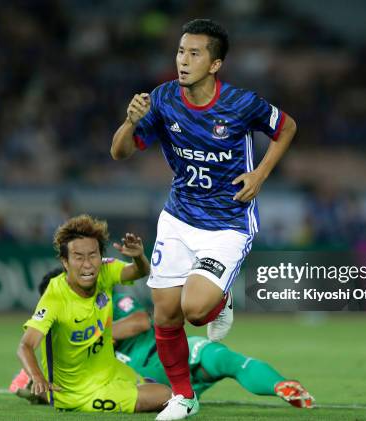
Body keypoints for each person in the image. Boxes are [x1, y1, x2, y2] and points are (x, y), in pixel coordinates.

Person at [111, 18, 297, 420]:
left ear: (215, 64)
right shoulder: (162, 99)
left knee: (195, 311)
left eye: (195, 53)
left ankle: (220, 299)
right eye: (181, 51)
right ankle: (183, 396)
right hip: (178, 218)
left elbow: (286, 127)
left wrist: (260, 175)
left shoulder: (240, 103)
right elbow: (120, 152)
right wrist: (129, 121)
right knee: (165, 314)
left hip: (228, 222)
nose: (183, 60)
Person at [10, 268, 314, 410]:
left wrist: (96, 336)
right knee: (217, 356)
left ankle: (280, 386)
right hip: (138, 374)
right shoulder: (57, 327)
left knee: (219, 358)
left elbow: (141, 321)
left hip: (157, 356)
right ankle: (276, 385)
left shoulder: (107, 296)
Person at [16, 214, 171, 413]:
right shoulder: (55, 297)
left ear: (100, 255)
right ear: (65, 261)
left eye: (92, 255)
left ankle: (34, 390)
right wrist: (38, 378)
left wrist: (138, 257)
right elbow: (25, 346)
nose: (88, 264)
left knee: (163, 389)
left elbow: (139, 271)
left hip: (110, 370)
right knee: (166, 396)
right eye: (78, 257)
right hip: (80, 392)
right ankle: (40, 390)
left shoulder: (105, 270)